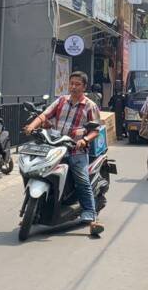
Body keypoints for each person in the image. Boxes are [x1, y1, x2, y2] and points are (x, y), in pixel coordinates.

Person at [23, 71, 105, 235]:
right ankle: (34, 209)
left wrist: (85, 140)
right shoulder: (61, 101)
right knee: (36, 170)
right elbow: (44, 115)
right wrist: (32, 126)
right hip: (55, 147)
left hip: (76, 150)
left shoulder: (90, 106)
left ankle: (91, 217)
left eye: (77, 84)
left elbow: (96, 130)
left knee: (82, 180)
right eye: (71, 83)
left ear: (84, 87)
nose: (73, 87)